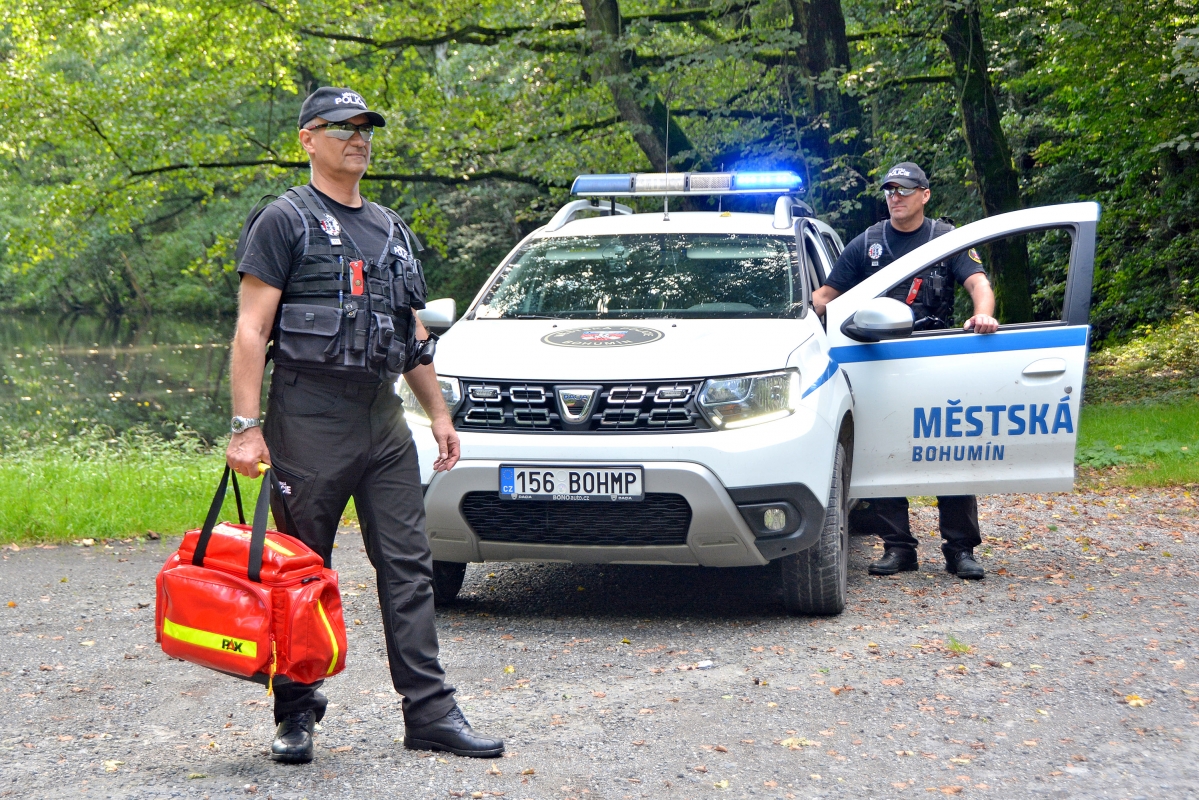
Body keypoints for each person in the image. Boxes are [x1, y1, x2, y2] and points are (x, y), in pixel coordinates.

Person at [225, 86, 503, 763]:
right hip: (307, 418)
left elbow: (408, 333)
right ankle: (295, 712)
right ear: (307, 139)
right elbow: (250, 329)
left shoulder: (392, 228)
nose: (358, 137)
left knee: (409, 566)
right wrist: (245, 425)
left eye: (366, 127)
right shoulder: (283, 221)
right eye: (342, 127)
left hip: (381, 419)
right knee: (300, 573)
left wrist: (437, 412)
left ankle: (430, 712)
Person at [812, 162, 999, 581]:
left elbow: (978, 284)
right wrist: (796, 316)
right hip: (881, 363)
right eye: (889, 190)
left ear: (925, 194)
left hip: (936, 359)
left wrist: (983, 317)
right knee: (884, 452)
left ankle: (960, 549)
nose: (895, 196)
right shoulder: (868, 243)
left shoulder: (947, 239)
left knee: (949, 451)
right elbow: (826, 295)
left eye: (904, 189)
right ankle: (898, 548)